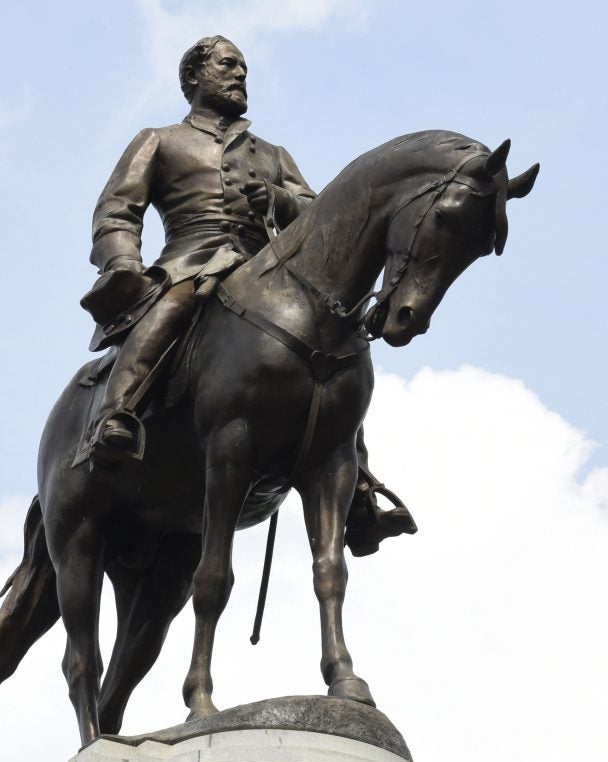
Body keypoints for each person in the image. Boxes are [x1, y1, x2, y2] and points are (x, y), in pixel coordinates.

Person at [80, 35, 416, 556]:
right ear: (194, 78)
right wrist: (124, 263)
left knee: (335, 352)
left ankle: (362, 495)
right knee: (176, 304)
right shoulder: (162, 140)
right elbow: (117, 211)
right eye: (228, 66)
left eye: (244, 69)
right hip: (193, 260)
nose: (240, 76)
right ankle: (117, 414)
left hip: (269, 272)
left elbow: (323, 215)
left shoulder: (273, 154)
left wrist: (279, 198)